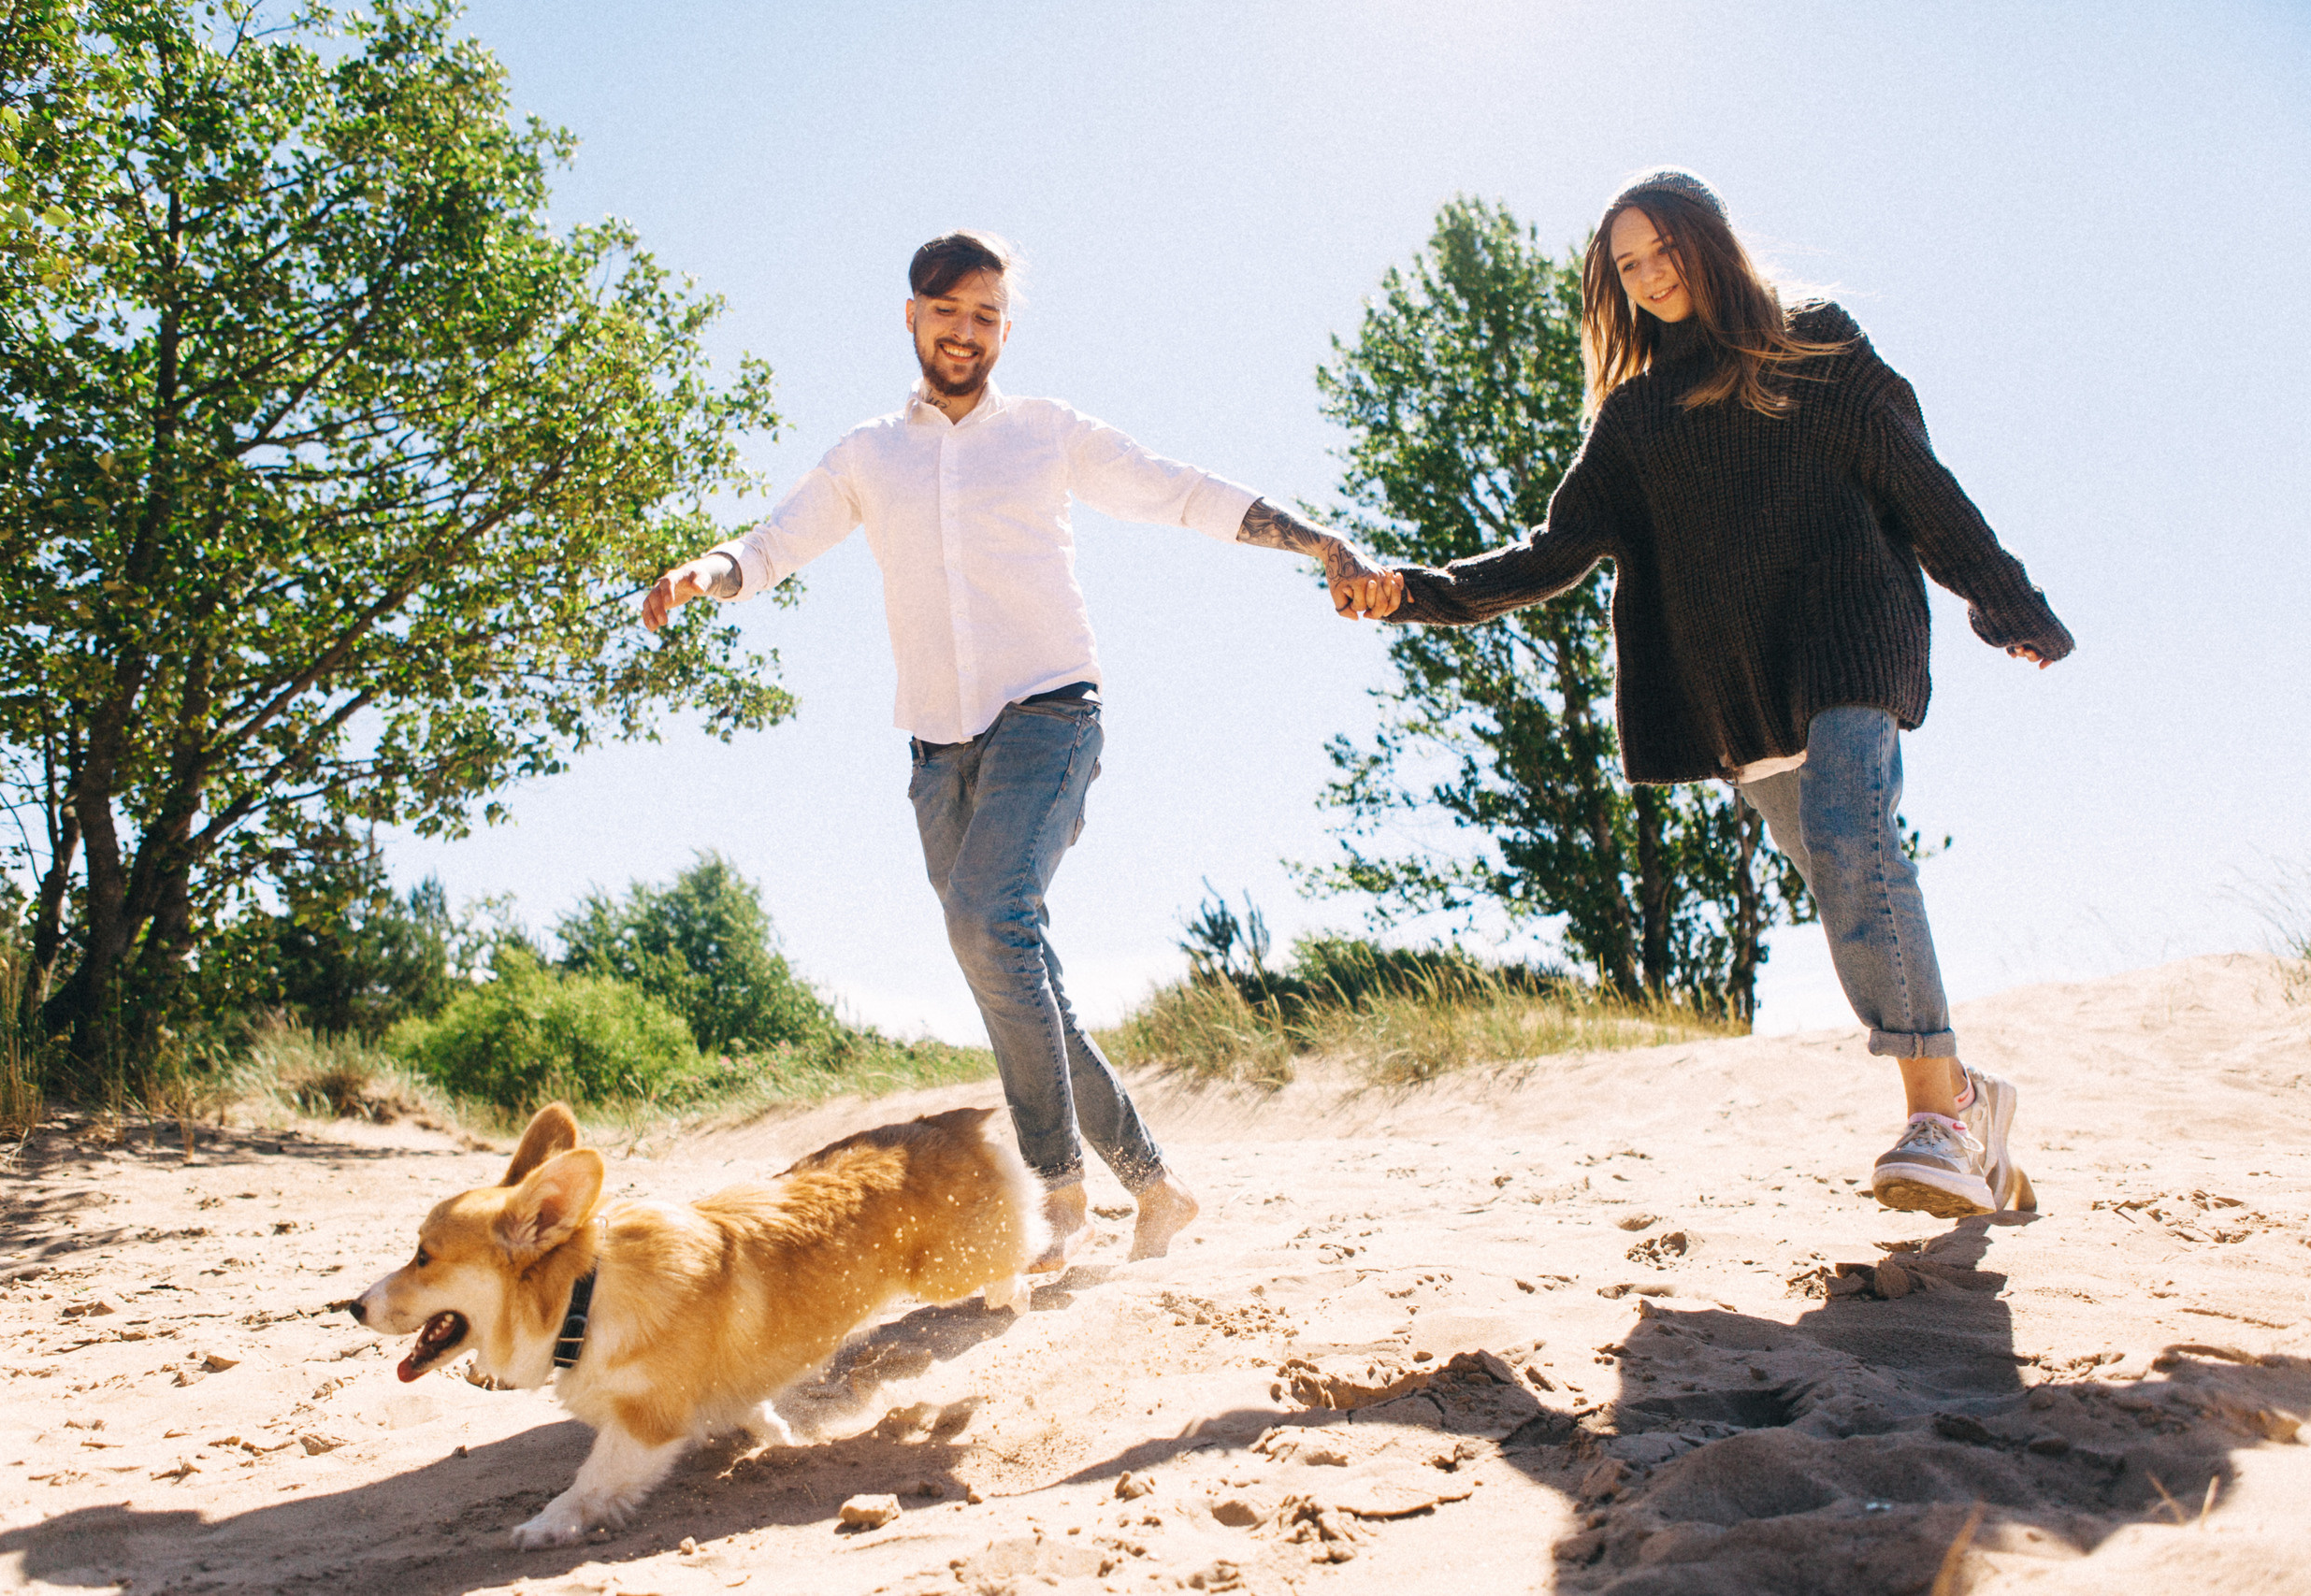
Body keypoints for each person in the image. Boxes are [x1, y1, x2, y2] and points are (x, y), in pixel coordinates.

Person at [643, 230, 1399, 1268]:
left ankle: (1056, 1194)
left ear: (1007, 326)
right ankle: (1156, 1186)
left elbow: (1175, 489)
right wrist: (708, 572)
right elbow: (778, 541)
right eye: (946, 310)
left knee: (984, 919)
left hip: (1049, 712)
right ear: (911, 315)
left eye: (987, 314)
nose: (966, 331)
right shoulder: (869, 454)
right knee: (1010, 962)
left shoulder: (1046, 433)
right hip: (934, 748)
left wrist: (1320, 542)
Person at [1352, 169, 2073, 1219]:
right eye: (1626, 266)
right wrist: (1410, 593)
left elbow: (1918, 482)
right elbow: (1553, 553)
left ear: (1709, 243)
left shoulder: (1812, 343)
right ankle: (1970, 1099)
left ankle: (1934, 1115)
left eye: (1663, 252)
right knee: (1839, 876)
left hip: (1851, 638)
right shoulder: (1637, 416)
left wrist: (2004, 601)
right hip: (1737, 684)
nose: (1647, 278)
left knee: (1850, 838)